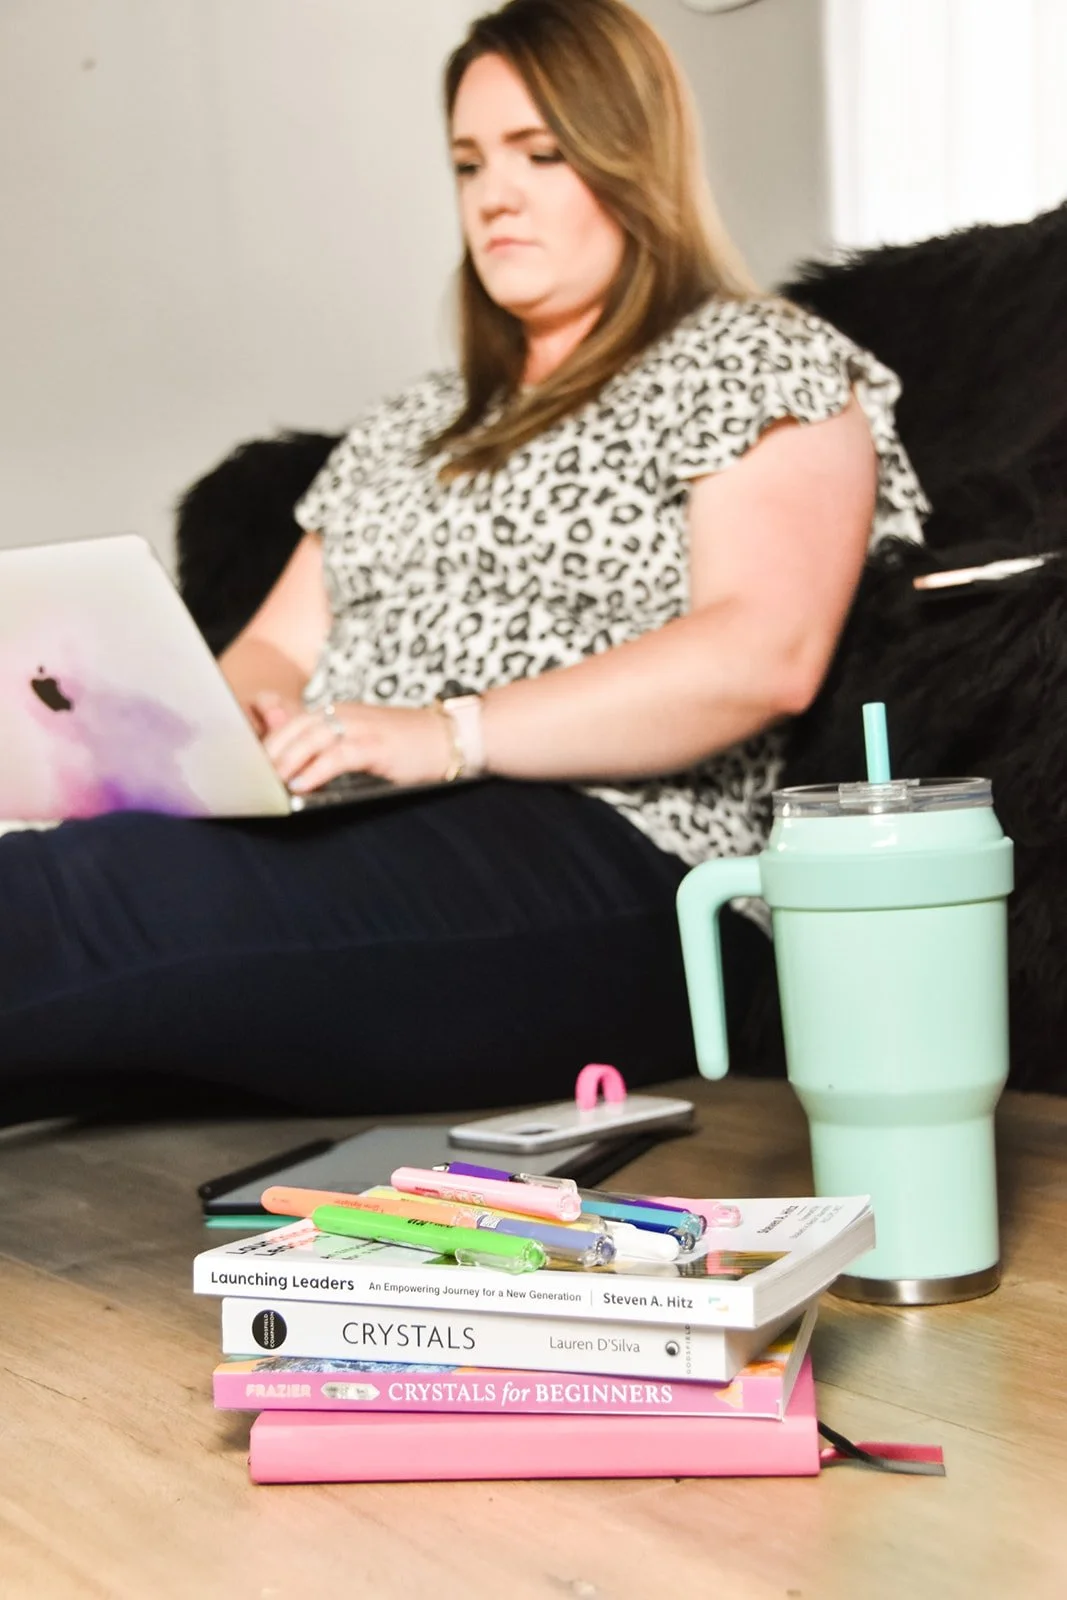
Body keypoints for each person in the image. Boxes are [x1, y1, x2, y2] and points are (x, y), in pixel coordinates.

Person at [0, 0, 927, 1125]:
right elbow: (274, 649)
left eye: (541, 155)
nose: (494, 194)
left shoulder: (757, 358)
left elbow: (759, 652)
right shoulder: (412, 421)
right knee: (94, 919)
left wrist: (446, 732)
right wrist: (225, 732)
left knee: (112, 900)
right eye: (469, 161)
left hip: (624, 857)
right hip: (350, 822)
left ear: (631, 158)